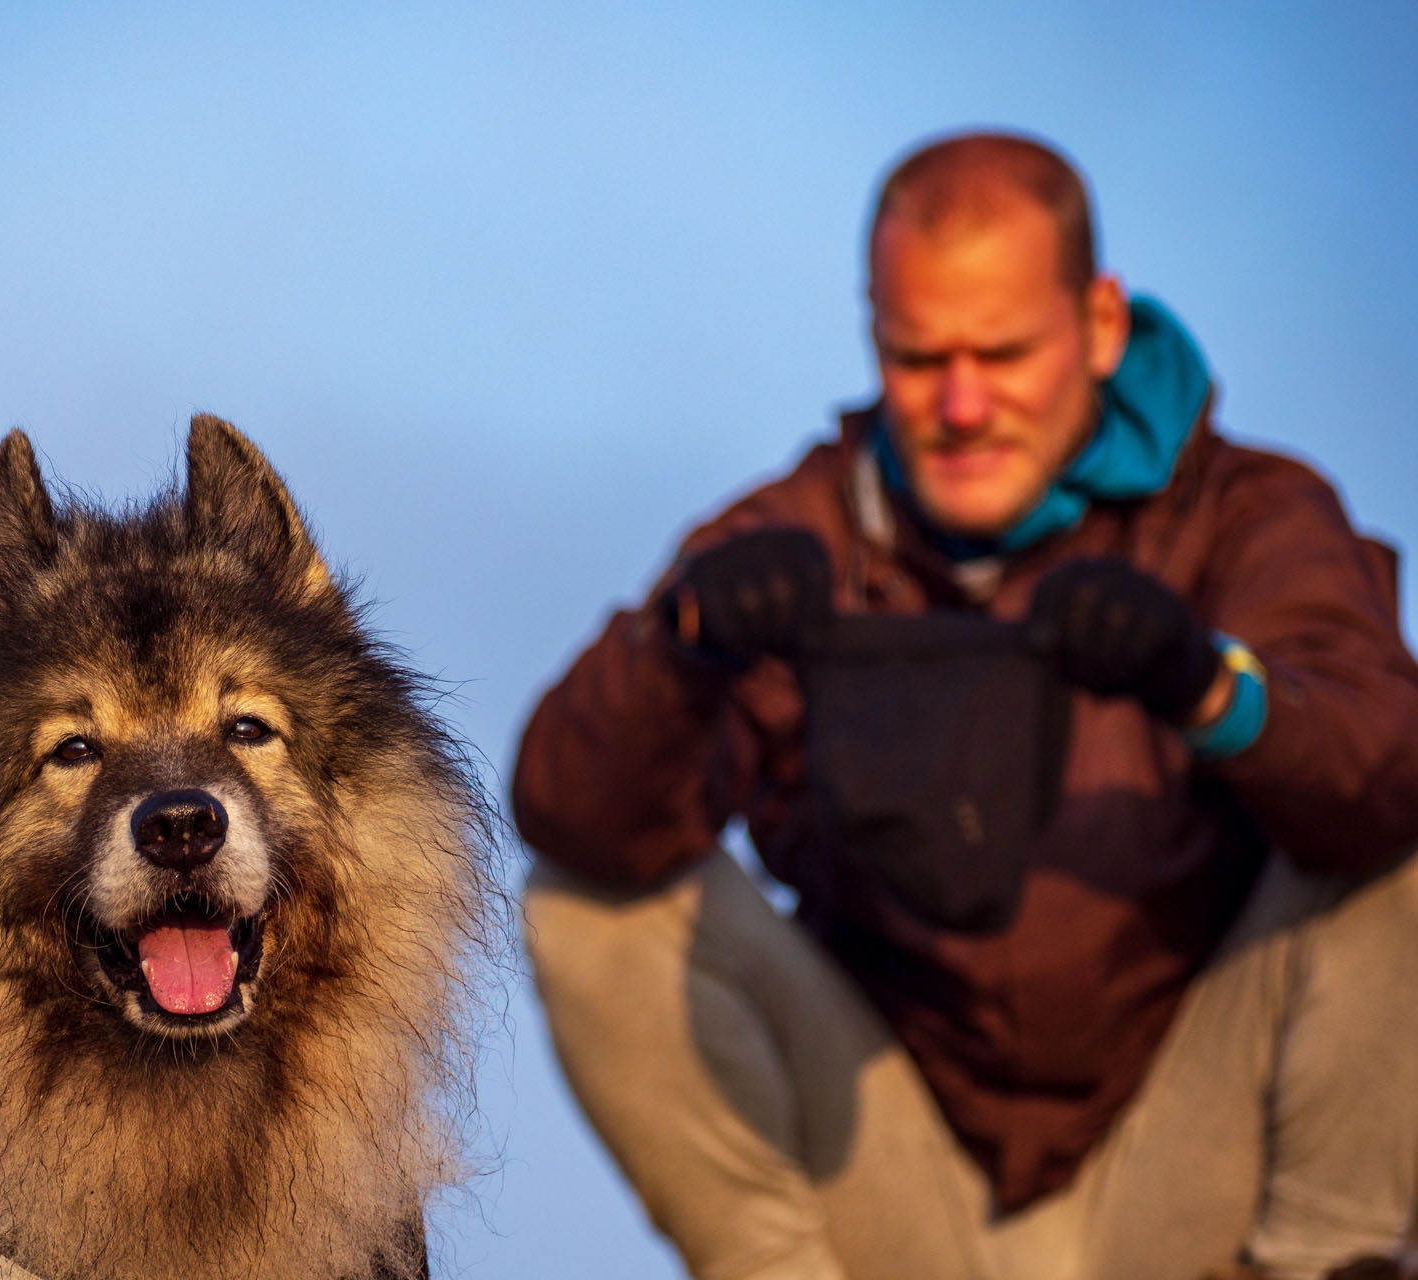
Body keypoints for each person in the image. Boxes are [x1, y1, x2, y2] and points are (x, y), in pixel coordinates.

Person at [513, 131, 1418, 1280]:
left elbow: (1383, 768)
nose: (959, 403)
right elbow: (568, 809)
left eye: (1000, 352)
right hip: (904, 1186)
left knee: (1400, 841)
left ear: (1097, 325)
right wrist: (681, 649)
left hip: (1186, 1173)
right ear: (873, 335)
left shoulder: (1246, 516)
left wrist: (1207, 686)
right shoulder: (808, 533)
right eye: (916, 357)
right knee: (586, 900)